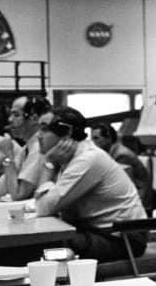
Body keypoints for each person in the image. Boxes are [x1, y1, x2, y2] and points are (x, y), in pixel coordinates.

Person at [32, 106, 147, 261]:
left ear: (67, 132)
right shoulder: (71, 158)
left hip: (123, 239)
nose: (38, 135)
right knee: (42, 243)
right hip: (99, 232)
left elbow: (42, 207)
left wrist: (49, 165)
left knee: (46, 246)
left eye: (44, 129)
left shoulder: (87, 159)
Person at [91, 123, 153, 209]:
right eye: (92, 139)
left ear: (108, 138)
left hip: (139, 201)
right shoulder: (112, 152)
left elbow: (121, 187)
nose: (93, 143)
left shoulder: (121, 155)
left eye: (96, 138)